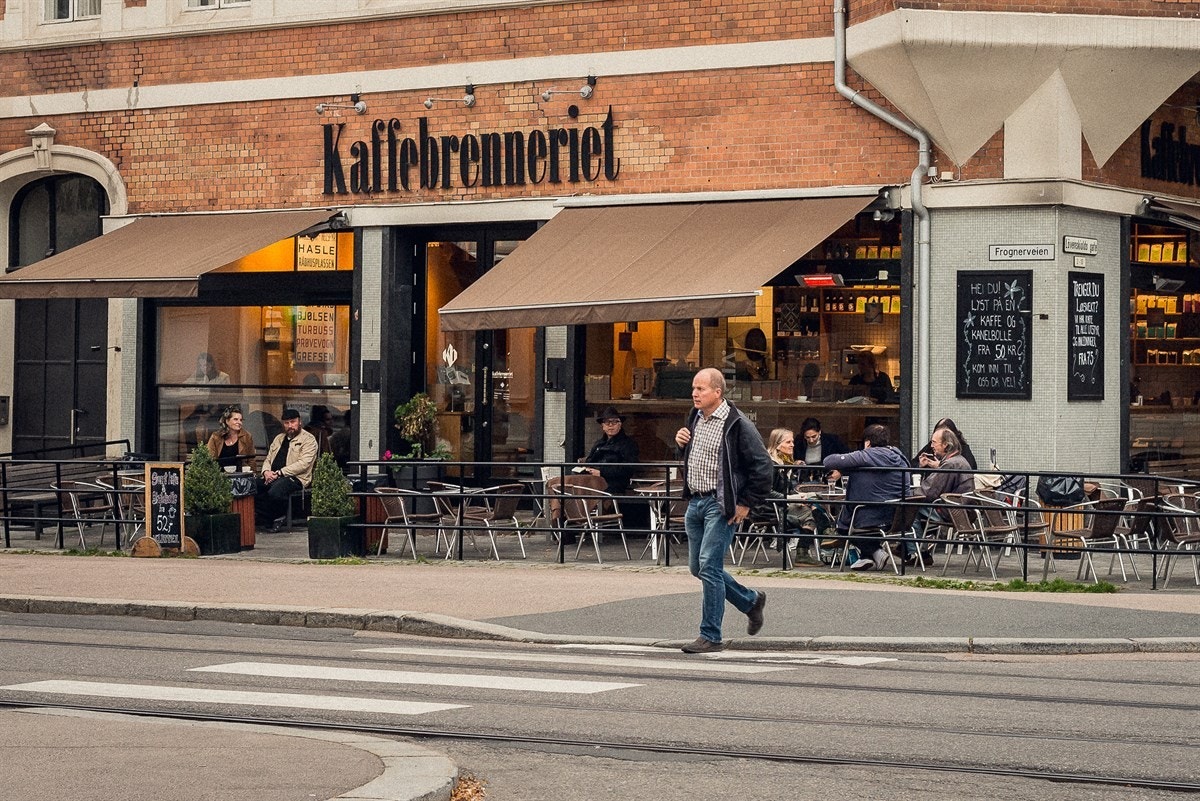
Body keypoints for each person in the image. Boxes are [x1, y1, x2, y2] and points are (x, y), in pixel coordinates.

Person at [674, 367, 772, 654]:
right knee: (699, 568)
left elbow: (764, 467)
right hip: (696, 501)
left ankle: (710, 635)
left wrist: (745, 503)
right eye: (693, 388)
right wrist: (680, 445)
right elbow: (694, 457)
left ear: (718, 392)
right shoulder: (695, 418)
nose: (694, 393)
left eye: (701, 389)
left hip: (721, 504)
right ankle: (750, 601)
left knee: (709, 566)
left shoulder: (737, 423)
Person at [822, 423, 909, 571]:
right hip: (896, 516)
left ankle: (875, 552)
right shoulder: (900, 457)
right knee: (856, 514)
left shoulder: (865, 455)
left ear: (868, 442)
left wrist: (847, 466)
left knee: (843, 527)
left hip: (869, 516)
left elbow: (828, 461)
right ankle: (866, 557)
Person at [910, 427, 974, 565]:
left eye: (934, 442)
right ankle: (911, 549)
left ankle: (919, 553)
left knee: (909, 509)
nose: (931, 446)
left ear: (945, 444)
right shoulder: (959, 460)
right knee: (915, 510)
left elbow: (930, 491)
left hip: (951, 511)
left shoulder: (950, 464)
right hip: (961, 510)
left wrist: (908, 493)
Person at [255, 408, 318, 532]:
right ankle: (268, 517)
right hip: (273, 476)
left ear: (300, 422)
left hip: (296, 478)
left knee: (275, 491)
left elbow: (304, 464)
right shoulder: (279, 438)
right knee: (252, 487)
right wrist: (266, 472)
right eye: (287, 423)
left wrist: (280, 472)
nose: (290, 426)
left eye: (293, 422)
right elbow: (268, 458)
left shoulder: (308, 440)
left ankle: (277, 516)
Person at [578, 406, 640, 495]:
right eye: (607, 422)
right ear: (602, 426)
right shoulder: (598, 444)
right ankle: (557, 509)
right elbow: (590, 460)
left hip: (613, 483)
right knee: (560, 483)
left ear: (620, 424)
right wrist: (587, 469)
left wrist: (601, 472)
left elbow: (628, 467)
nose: (610, 425)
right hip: (592, 479)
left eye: (614, 422)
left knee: (578, 487)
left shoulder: (628, 444)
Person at [912, 417, 977, 470]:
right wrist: (920, 465)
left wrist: (941, 466)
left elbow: (969, 470)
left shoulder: (963, 450)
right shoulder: (932, 446)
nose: (932, 445)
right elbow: (912, 465)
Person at [205, 405, 256, 472]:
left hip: (240, 476)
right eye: (235, 419)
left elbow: (251, 460)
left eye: (240, 420)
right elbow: (209, 459)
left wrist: (252, 475)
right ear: (227, 421)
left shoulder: (247, 436)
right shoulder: (216, 437)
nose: (239, 422)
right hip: (219, 476)